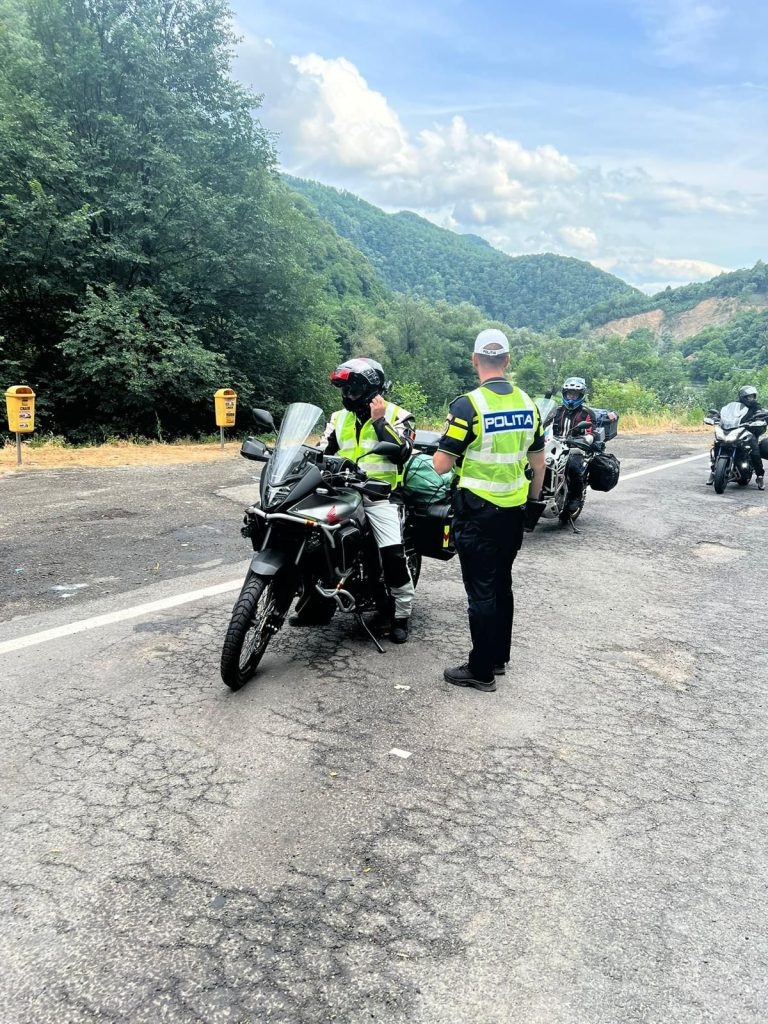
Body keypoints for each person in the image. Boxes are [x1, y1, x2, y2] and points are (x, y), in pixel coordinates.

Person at [432, 329, 546, 692]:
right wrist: (533, 503)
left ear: (474, 359)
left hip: (478, 513)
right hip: (513, 510)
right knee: (502, 584)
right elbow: (539, 463)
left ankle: (480, 670)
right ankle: (498, 657)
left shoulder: (468, 406)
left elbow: (440, 465)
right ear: (508, 361)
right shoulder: (529, 404)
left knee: (481, 592)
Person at [290, 357, 416, 642]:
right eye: (344, 390)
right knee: (308, 537)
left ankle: (401, 614)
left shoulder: (399, 416)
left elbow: (402, 452)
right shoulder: (338, 418)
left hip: (380, 496)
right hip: (342, 491)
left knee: (392, 555)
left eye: (354, 390)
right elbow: (321, 452)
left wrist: (379, 421)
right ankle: (316, 604)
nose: (348, 396)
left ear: (372, 390)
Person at [552, 376, 596, 515]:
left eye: (575, 394)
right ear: (565, 394)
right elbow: (544, 424)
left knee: (572, 467)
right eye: (569, 393)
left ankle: (575, 498)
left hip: (576, 448)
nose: (571, 397)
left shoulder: (586, 413)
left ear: (580, 396)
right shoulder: (557, 411)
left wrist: (586, 439)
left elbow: (591, 432)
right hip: (555, 445)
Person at [707, 384, 765, 490]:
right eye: (749, 396)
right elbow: (723, 414)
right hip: (733, 431)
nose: (751, 399)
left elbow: (761, 415)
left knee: (755, 450)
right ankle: (713, 471)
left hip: (748, 432)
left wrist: (761, 418)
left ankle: (760, 476)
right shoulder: (734, 406)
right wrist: (716, 417)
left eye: (753, 396)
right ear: (743, 397)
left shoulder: (756, 407)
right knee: (718, 443)